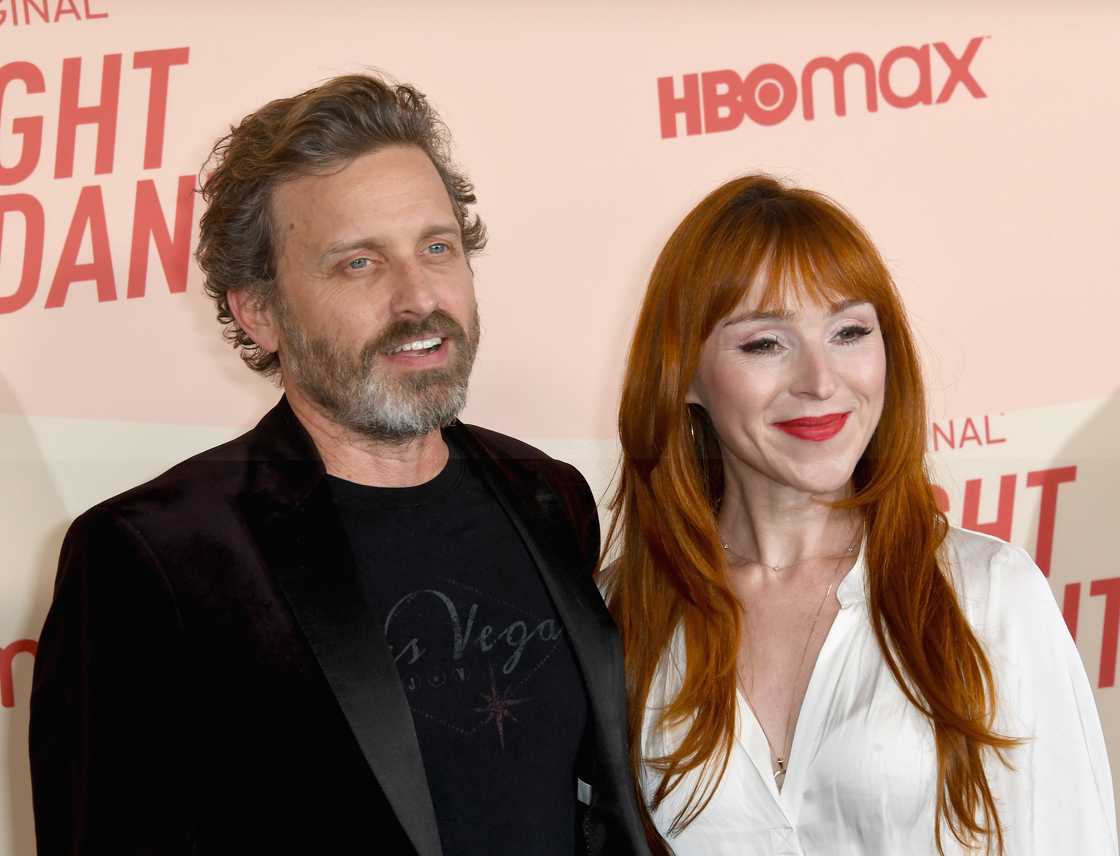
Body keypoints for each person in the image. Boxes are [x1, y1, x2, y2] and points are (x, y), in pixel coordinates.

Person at [29, 74, 647, 856]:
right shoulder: (152, 556)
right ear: (260, 311)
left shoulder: (548, 496)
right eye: (359, 263)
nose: (417, 298)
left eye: (437, 247)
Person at [602, 174, 1118, 855]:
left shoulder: (989, 593)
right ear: (684, 374)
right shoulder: (619, 615)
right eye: (765, 343)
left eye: (849, 332)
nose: (821, 381)